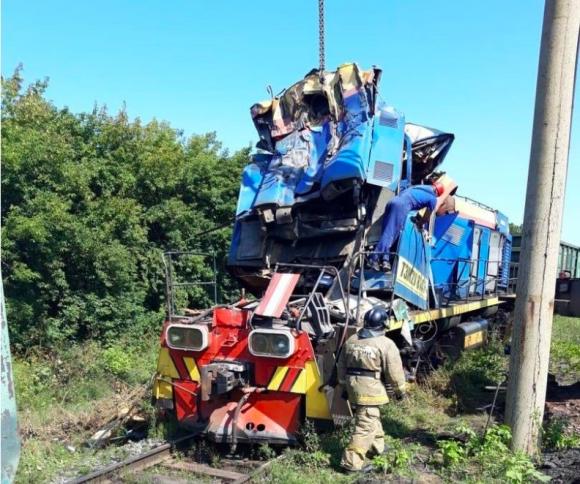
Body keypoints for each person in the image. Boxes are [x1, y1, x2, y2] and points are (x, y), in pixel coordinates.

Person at [337, 306, 407, 472]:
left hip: (352, 386)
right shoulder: (386, 343)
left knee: (370, 416)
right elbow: (394, 371)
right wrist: (400, 391)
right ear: (383, 325)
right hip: (370, 389)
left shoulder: (352, 339)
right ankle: (351, 463)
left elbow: (341, 366)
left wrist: (343, 386)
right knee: (365, 425)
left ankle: (376, 448)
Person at [371, 182, 444, 272]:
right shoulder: (433, 198)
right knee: (391, 235)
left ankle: (385, 260)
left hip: (392, 202)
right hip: (401, 206)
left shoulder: (418, 187)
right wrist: (420, 224)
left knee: (386, 232)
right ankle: (374, 259)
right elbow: (426, 217)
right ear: (438, 193)